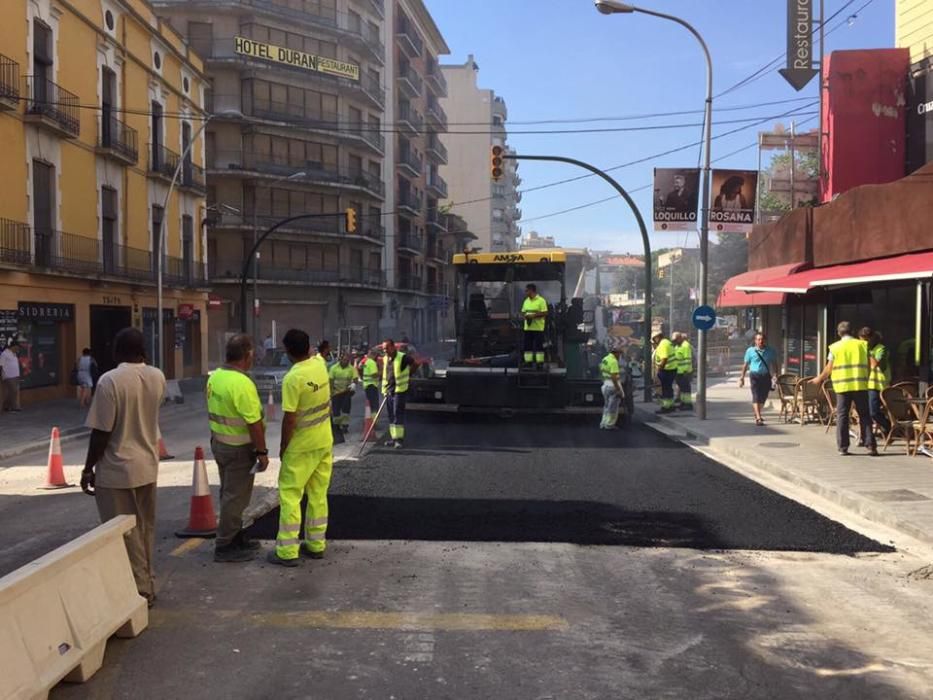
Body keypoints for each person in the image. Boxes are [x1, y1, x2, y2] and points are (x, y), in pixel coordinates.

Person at [80, 328, 165, 605]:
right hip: (147, 465)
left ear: (117, 351)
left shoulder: (110, 381)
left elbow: (101, 432)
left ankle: (140, 591)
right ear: (144, 350)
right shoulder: (157, 376)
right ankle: (149, 581)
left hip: (117, 470)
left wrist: (88, 468)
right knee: (145, 528)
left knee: (124, 533)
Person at [269, 329, 334, 567]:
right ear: (309, 348)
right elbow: (319, 353)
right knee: (318, 495)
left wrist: (284, 446)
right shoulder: (320, 365)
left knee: (291, 495)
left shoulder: (292, 379)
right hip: (324, 442)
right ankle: (316, 544)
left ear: (287, 352)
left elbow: (290, 419)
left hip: (301, 447)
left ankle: (287, 551)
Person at [206, 334, 269, 563]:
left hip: (220, 444)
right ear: (248, 355)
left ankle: (235, 535)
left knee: (229, 493)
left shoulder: (216, 377)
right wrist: (262, 452)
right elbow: (253, 422)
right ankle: (225, 545)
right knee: (236, 498)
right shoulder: (241, 383)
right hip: (238, 448)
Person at [811, 321, 876, 456]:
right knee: (864, 415)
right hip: (860, 385)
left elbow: (829, 368)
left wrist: (819, 379)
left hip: (842, 386)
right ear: (852, 332)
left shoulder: (835, 347)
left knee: (842, 416)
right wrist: (866, 375)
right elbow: (872, 364)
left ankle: (843, 447)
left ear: (839, 333)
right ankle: (870, 445)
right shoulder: (862, 345)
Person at [380, 338, 419, 448]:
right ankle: (393, 438)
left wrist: (409, 374)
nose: (385, 351)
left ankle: (399, 440)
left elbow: (416, 364)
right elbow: (386, 375)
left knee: (398, 414)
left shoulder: (403, 357)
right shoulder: (385, 358)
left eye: (386, 348)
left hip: (399, 391)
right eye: (383, 349)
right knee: (391, 416)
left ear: (392, 347)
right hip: (389, 391)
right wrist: (385, 389)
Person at [739, 332, 778, 426]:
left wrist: (775, 375)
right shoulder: (750, 351)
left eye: (762, 339)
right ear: (755, 341)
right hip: (754, 375)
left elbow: (774, 363)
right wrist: (742, 377)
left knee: (763, 396)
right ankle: (758, 417)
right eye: (758, 339)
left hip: (765, 376)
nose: (760, 341)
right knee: (756, 395)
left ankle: (757, 413)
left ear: (765, 341)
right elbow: (745, 365)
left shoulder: (771, 351)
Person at [860, 327, 891, 437]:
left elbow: (875, 364)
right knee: (866, 411)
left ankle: (888, 427)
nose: (864, 343)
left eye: (866, 340)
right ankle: (868, 435)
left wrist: (867, 351)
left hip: (879, 384)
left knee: (874, 411)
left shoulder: (881, 349)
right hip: (867, 384)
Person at [329, 352, 358, 434]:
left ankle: (345, 426)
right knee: (336, 410)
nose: (346, 361)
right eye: (344, 360)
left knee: (346, 409)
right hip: (336, 392)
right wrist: (330, 392)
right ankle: (337, 426)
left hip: (346, 392)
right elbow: (330, 381)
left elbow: (355, 379)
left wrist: (353, 384)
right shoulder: (334, 368)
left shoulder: (351, 368)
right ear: (340, 360)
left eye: (347, 360)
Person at [521, 283, 548, 368]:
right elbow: (523, 312)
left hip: (538, 328)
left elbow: (545, 313)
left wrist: (533, 316)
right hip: (528, 328)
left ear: (531, 290)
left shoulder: (541, 300)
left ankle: (539, 363)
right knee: (527, 346)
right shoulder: (526, 301)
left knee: (538, 346)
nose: (525, 292)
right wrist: (525, 316)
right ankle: (528, 362)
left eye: (526, 290)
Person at [599, 346, 625, 430]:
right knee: (613, 407)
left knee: (606, 406)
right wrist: (618, 389)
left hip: (605, 385)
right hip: (612, 386)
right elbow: (614, 377)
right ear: (616, 353)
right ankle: (609, 425)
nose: (620, 356)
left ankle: (603, 423)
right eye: (619, 354)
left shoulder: (605, 359)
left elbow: (602, 371)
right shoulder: (613, 361)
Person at [651, 331, 676, 414]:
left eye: (654, 339)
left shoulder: (662, 345)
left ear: (657, 337)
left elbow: (664, 358)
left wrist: (659, 369)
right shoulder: (667, 342)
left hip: (666, 370)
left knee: (665, 390)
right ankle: (671, 405)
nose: (654, 341)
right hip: (672, 369)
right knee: (669, 388)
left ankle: (666, 407)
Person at [673, 332, 694, 411]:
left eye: (675, 340)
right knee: (682, 389)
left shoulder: (685, 346)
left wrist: (686, 371)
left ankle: (688, 404)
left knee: (686, 389)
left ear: (680, 338)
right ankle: (683, 403)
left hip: (684, 372)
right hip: (679, 371)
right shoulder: (678, 346)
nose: (674, 341)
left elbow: (687, 359)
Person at [1, 339, 22, 412]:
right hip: (8, 376)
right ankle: (15, 407)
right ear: (13, 346)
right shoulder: (4, 354)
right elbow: (1, 365)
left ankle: (6, 406)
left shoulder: (14, 354)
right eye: (17, 347)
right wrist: (1, 375)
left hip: (16, 375)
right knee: (14, 391)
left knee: (11, 392)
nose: (18, 349)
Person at [359, 347, 380, 416]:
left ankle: (372, 416)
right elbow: (374, 374)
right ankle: (374, 418)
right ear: (374, 355)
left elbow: (359, 368)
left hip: (367, 385)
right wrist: (382, 372)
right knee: (374, 403)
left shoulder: (367, 361)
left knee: (371, 403)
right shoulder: (372, 363)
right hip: (372, 385)